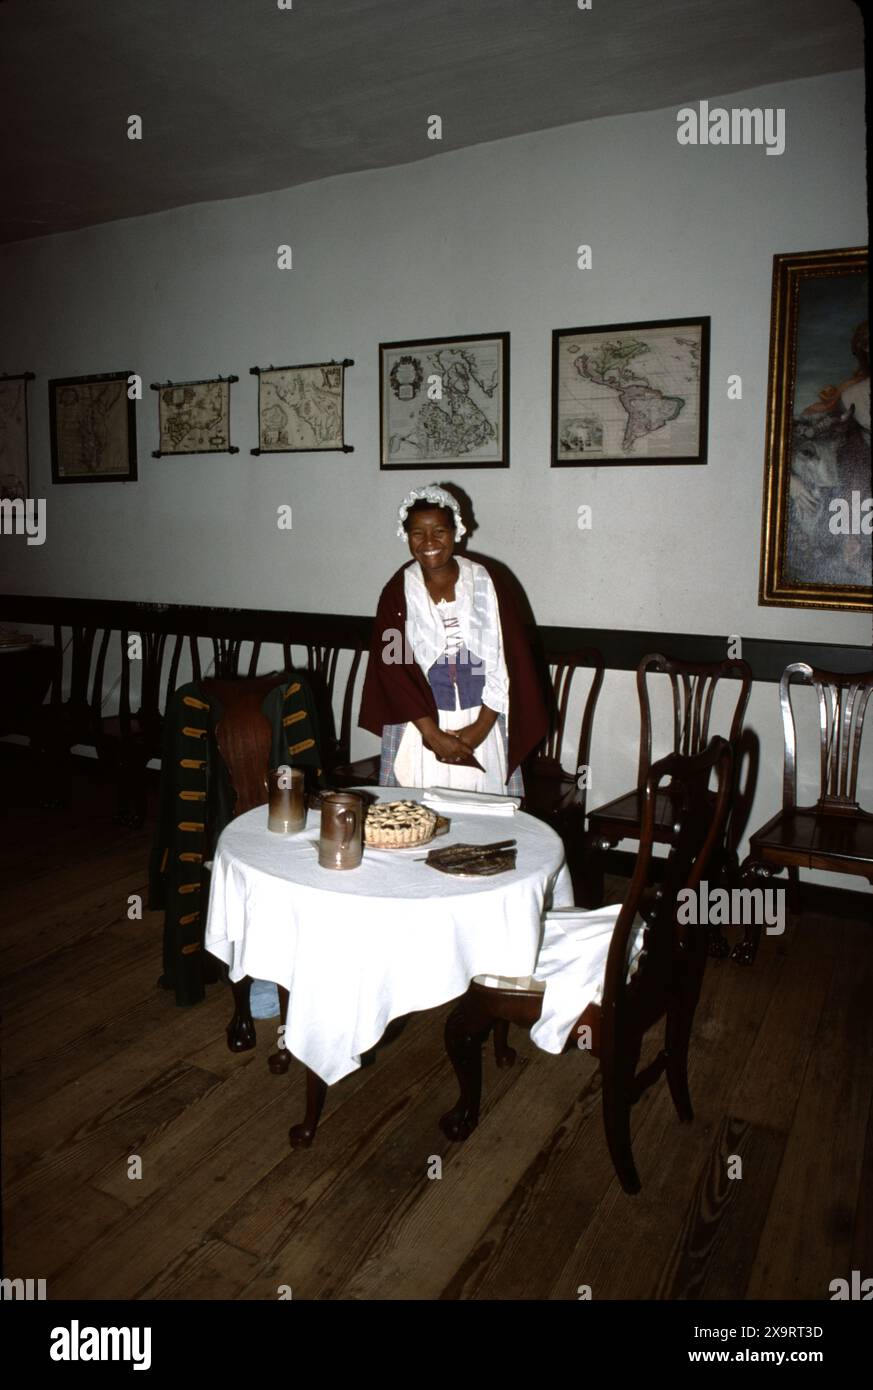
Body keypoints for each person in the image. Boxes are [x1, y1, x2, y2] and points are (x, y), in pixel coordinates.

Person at [359, 484, 548, 794]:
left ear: (456, 530)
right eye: (418, 533)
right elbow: (392, 668)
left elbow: (506, 657)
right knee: (418, 817)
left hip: (484, 718)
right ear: (405, 536)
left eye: (439, 531)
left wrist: (481, 729)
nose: (429, 542)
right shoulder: (397, 592)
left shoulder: (488, 582)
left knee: (483, 818)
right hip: (420, 725)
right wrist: (432, 735)